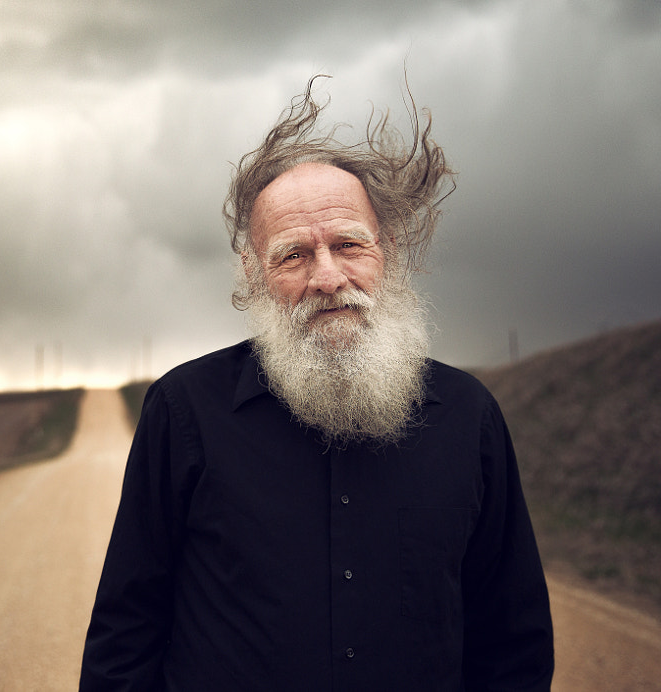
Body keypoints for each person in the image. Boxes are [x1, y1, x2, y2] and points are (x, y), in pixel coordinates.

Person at [80, 76, 554, 691]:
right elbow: (126, 632)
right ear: (254, 273)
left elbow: (510, 639)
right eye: (294, 254)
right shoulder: (184, 411)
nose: (328, 276)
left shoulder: (468, 417)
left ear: (388, 253)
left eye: (348, 244)